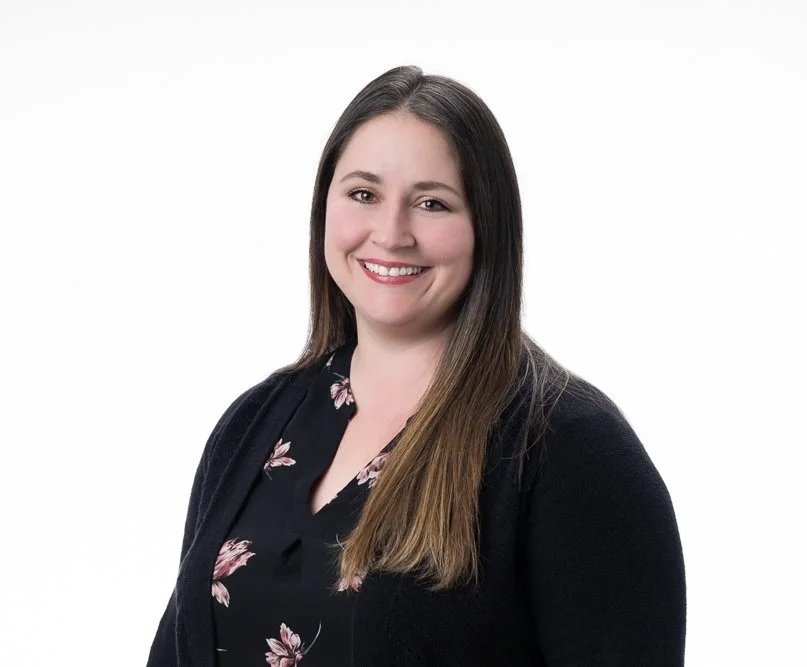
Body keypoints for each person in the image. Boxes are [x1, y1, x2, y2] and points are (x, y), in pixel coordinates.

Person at [146, 65, 686, 666]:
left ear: (488, 229)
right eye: (363, 194)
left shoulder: (567, 448)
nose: (392, 233)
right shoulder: (255, 424)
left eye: (432, 203)